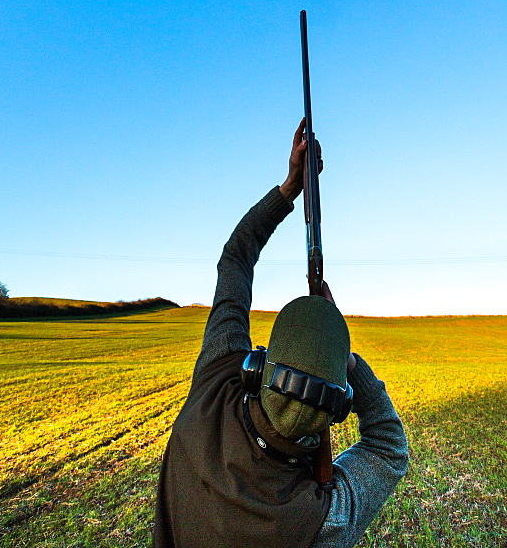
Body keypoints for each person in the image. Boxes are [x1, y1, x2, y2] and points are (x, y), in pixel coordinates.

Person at [153, 120, 409, 548]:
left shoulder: (216, 384)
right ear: (336, 406)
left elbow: (236, 258)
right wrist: (344, 355)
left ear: (255, 367)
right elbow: (388, 447)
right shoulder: (318, 522)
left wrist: (290, 187)